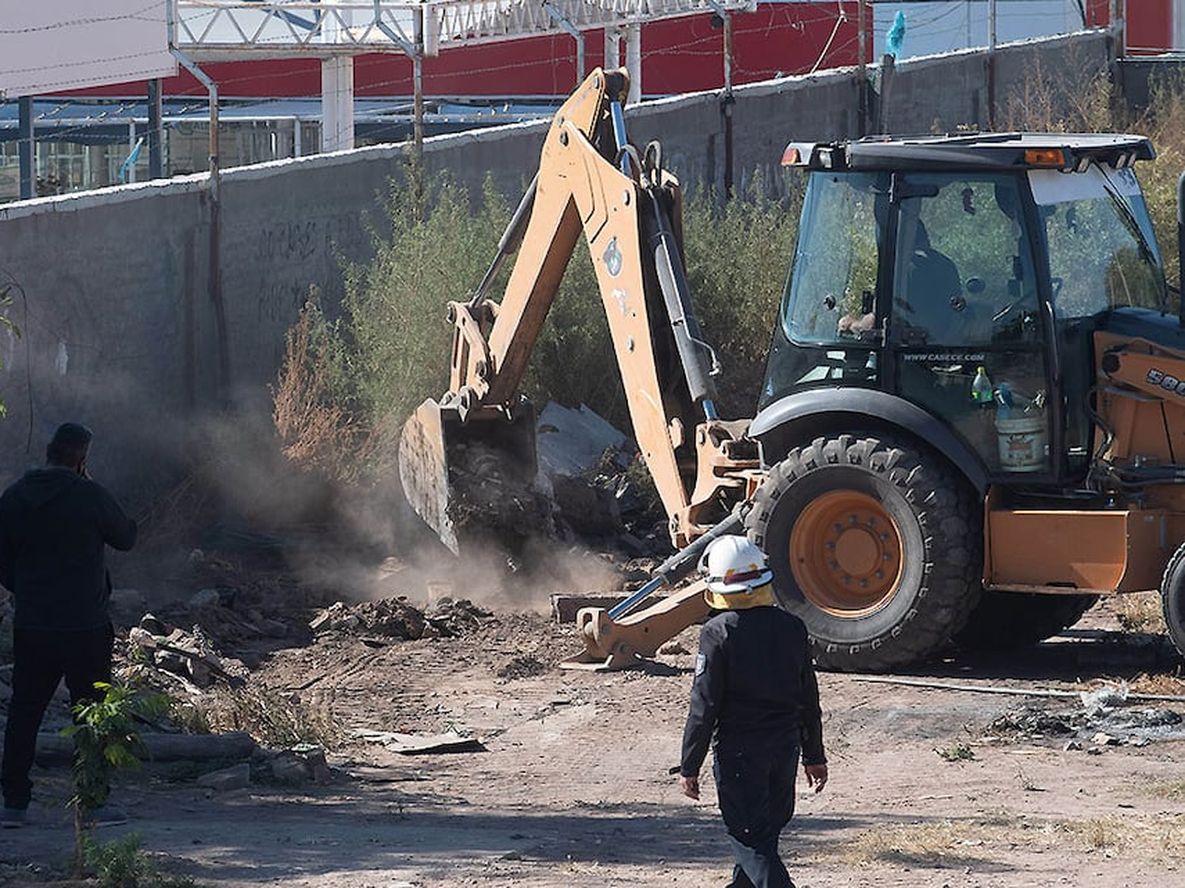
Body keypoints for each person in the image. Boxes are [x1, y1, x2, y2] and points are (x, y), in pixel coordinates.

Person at [0, 423, 137, 828]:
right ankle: (92, 802)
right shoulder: (88, 494)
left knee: (25, 712)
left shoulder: (15, 497)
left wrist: (23, 589)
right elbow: (127, 536)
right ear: (81, 458)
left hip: (34, 624)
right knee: (92, 713)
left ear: (48, 452)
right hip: (85, 626)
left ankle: (13, 804)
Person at [678, 535, 827, 888]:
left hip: (741, 755)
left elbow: (705, 704)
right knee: (762, 837)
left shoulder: (718, 633)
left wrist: (689, 764)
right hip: (785, 750)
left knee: (750, 839)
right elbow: (809, 697)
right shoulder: (793, 627)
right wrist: (814, 755)